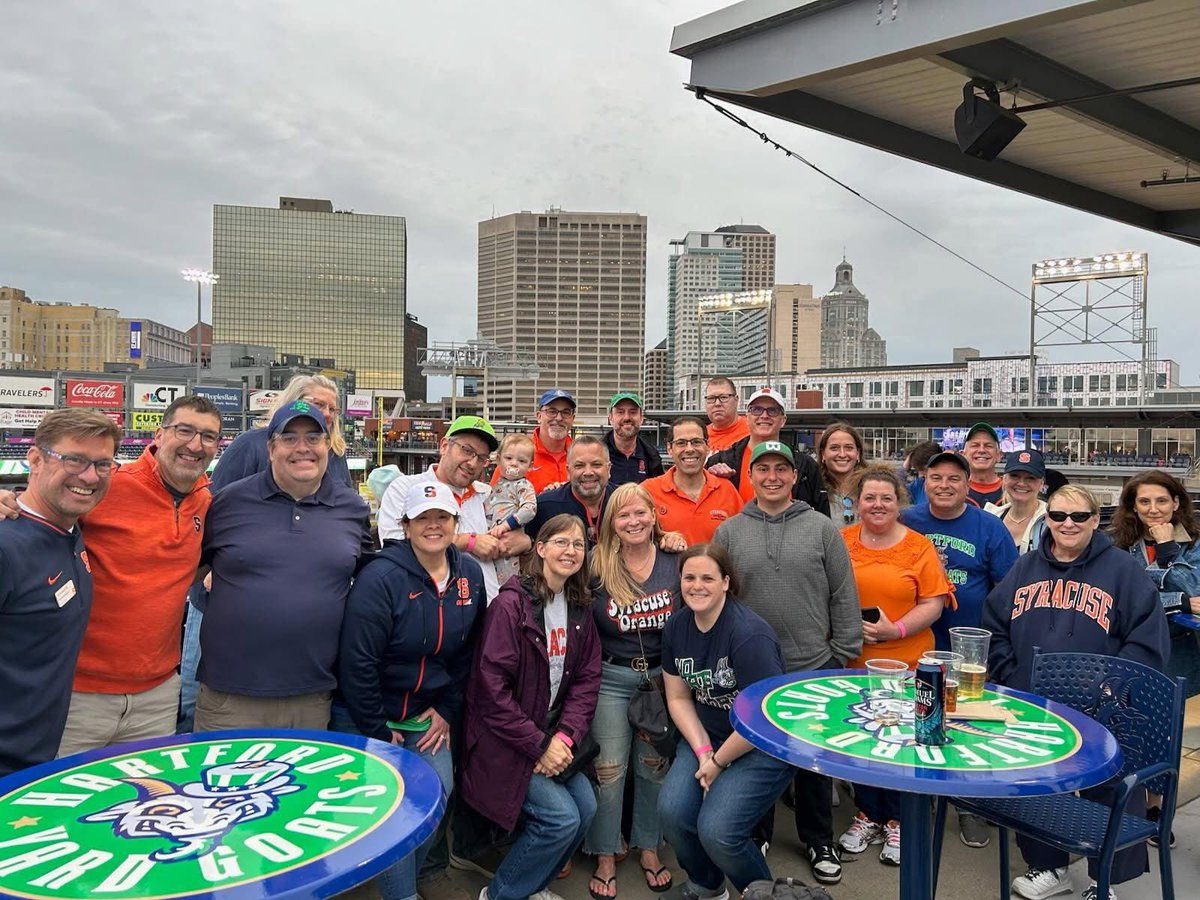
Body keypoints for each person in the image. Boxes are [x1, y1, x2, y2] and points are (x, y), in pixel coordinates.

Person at [982, 485, 1169, 900]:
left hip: (1103, 709)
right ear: (1047, 519)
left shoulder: (1122, 569)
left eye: (1079, 516)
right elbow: (994, 624)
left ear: (1095, 520)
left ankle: (1105, 882)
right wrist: (1013, 676)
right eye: (1059, 516)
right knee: (1040, 786)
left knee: (1109, 790)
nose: (1068, 524)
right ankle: (1049, 867)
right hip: (1036, 705)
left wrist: (1111, 689)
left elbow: (1147, 638)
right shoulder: (1026, 566)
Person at [713, 440, 861, 885]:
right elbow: (718, 596)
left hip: (812, 662)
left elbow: (843, 593)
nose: (772, 477)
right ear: (751, 477)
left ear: (795, 477)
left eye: (782, 469)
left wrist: (841, 654)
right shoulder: (730, 532)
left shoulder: (821, 528)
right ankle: (757, 832)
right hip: (752, 667)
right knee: (754, 753)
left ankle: (818, 839)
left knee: (813, 757)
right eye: (763, 469)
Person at [337, 480, 485, 900]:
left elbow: (468, 652)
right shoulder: (381, 576)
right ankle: (400, 894)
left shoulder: (469, 573)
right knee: (394, 811)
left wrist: (448, 709)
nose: (433, 526)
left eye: (442, 517)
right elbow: (358, 662)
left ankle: (401, 880)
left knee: (436, 796)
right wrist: (378, 730)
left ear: (456, 522)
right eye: (423, 518)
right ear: (406, 525)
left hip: (425, 713)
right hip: (369, 713)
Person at [55, 395, 222, 755]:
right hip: (80, 692)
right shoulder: (109, 484)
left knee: (146, 790)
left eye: (208, 436)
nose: (195, 445)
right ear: (159, 435)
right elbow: (43, 510)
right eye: (184, 431)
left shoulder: (206, 502)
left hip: (157, 695)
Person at [195, 401, 372, 731]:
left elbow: (372, 584)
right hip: (230, 697)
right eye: (289, 438)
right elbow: (188, 569)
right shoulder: (228, 502)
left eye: (313, 438)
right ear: (271, 448)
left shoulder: (351, 508)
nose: (303, 448)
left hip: (313, 697)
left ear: (327, 446)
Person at [461, 514, 601, 900]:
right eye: (561, 542)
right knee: (560, 819)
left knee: (587, 809)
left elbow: (587, 679)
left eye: (578, 544)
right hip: (506, 741)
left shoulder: (579, 607)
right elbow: (491, 691)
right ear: (540, 549)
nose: (570, 551)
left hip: (553, 737)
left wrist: (565, 738)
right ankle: (500, 895)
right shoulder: (511, 606)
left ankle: (533, 887)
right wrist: (540, 746)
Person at [658, 543, 793, 898]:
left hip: (762, 744)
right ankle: (707, 885)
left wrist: (717, 763)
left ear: (726, 583)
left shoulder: (749, 635)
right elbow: (678, 697)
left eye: (707, 578)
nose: (697, 586)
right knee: (672, 812)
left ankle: (764, 894)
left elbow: (762, 718)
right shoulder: (676, 627)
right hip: (709, 737)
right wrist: (704, 752)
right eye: (689, 577)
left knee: (719, 831)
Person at [898, 449, 1016, 849]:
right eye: (936, 478)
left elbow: (1008, 589)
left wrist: (998, 643)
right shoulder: (907, 520)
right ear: (924, 482)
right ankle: (919, 798)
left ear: (968, 486)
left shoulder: (988, 527)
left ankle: (969, 804)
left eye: (954, 479)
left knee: (967, 727)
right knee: (917, 722)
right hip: (916, 644)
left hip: (968, 650)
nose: (944, 485)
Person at [836, 466, 951, 866]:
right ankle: (869, 813)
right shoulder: (842, 541)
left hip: (909, 661)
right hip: (857, 661)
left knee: (903, 742)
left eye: (886, 498)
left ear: (899, 502)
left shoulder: (919, 547)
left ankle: (900, 820)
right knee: (864, 740)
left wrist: (894, 629)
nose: (878, 505)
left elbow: (934, 602)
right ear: (856, 502)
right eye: (870, 498)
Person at [0, 409, 121, 776]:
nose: (90, 476)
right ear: (35, 460)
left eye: (102, 464)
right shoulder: (7, 544)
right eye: (74, 460)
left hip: (34, 760)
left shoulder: (68, 530)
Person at [585, 483, 679, 899]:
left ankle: (648, 847)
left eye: (640, 512)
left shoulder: (674, 560)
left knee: (653, 766)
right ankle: (605, 853)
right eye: (623, 515)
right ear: (611, 522)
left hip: (660, 679)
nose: (633, 521)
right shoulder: (596, 564)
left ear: (654, 516)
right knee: (609, 770)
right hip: (612, 677)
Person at [380, 415, 528, 603]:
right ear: (444, 446)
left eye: (481, 458)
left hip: (491, 610)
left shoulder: (488, 494)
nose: (472, 463)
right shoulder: (406, 488)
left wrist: (525, 542)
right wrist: (468, 542)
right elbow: (395, 546)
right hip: (430, 607)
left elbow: (518, 535)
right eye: (467, 450)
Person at [212, 373, 351, 490]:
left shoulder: (336, 451)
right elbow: (217, 498)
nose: (327, 414)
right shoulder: (250, 444)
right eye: (318, 404)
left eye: (332, 409)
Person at [706, 388, 826, 512]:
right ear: (747, 417)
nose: (764, 416)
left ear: (783, 420)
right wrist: (714, 478)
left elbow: (820, 514)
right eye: (757, 410)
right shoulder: (721, 462)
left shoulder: (806, 466)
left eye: (772, 410)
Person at [643, 416, 741, 547]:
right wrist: (661, 539)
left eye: (696, 442)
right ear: (669, 449)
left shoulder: (726, 490)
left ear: (707, 446)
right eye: (681, 443)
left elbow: (741, 540)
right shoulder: (648, 491)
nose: (689, 449)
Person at [485, 432, 539, 586]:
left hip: (509, 544)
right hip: (491, 542)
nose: (514, 464)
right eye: (509, 458)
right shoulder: (495, 485)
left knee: (506, 584)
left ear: (530, 465)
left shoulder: (523, 485)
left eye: (522, 461)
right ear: (498, 459)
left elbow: (529, 509)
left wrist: (506, 525)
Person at [505, 388, 577, 494]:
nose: (559, 418)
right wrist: (539, 499)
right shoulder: (517, 453)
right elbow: (497, 499)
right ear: (539, 416)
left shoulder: (581, 454)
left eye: (566, 412)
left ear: (572, 418)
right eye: (552, 411)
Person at [984, 450, 1048, 554]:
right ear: (1004, 479)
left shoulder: (1052, 520)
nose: (1021, 483)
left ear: (1041, 484)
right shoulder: (990, 518)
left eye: (1031, 478)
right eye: (1015, 476)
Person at [604, 391, 664, 487]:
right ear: (610, 418)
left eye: (633, 412)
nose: (627, 417)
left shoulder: (652, 456)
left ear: (641, 418)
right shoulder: (597, 453)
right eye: (620, 412)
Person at [817, 422, 867, 526]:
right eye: (834, 448)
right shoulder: (813, 491)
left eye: (849, 448)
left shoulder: (874, 488)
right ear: (823, 454)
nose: (842, 454)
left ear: (858, 453)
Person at [702, 376, 750, 452]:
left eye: (724, 397)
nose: (717, 403)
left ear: (736, 399)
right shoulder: (700, 436)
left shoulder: (752, 432)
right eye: (711, 398)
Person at [962, 423, 1004, 506]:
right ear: (963, 455)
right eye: (975, 445)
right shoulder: (954, 490)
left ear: (999, 455)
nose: (981, 450)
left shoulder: (1012, 490)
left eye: (988, 446)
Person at [903, 440, 942, 507]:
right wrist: (904, 469)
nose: (921, 474)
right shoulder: (919, 484)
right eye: (919, 470)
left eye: (924, 469)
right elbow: (895, 491)